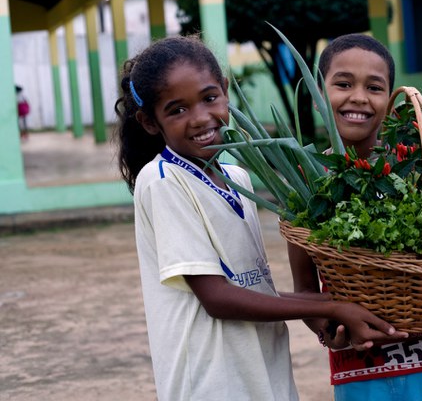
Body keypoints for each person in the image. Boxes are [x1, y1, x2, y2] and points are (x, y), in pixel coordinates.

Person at [114, 35, 404, 401]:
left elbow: (252, 289)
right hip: (211, 382)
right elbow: (217, 298)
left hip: (263, 374)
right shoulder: (162, 182)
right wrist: (333, 306)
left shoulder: (238, 178)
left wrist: (337, 310)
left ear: (225, 91)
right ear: (150, 122)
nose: (201, 117)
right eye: (177, 109)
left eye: (209, 98)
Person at [288, 33, 422, 401]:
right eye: (343, 84)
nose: (358, 97)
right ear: (320, 96)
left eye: (374, 87)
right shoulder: (307, 181)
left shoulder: (418, 171)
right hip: (358, 367)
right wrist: (327, 330)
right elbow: (305, 289)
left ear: (390, 99)